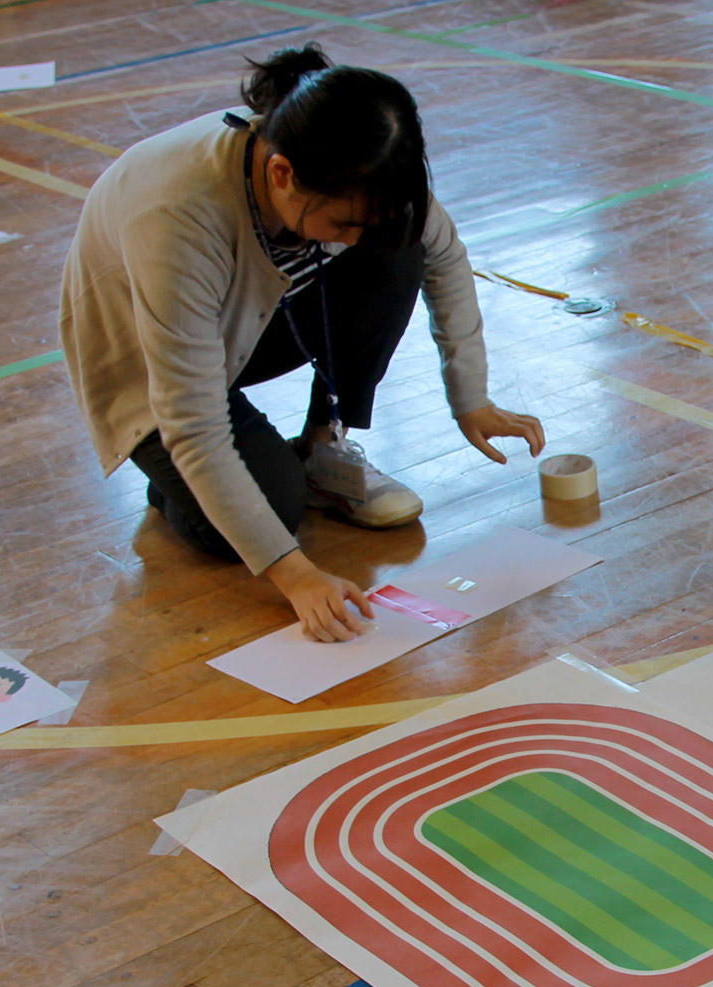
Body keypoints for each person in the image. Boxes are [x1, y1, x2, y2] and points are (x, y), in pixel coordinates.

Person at [60, 44, 544, 643]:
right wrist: (296, 576)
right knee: (257, 522)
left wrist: (470, 397)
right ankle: (172, 484)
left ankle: (321, 445)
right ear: (281, 174)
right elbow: (192, 419)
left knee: (396, 253)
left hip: (255, 318)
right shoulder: (178, 217)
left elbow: (441, 255)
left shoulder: (361, 168)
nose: (353, 237)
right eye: (342, 224)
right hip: (153, 365)